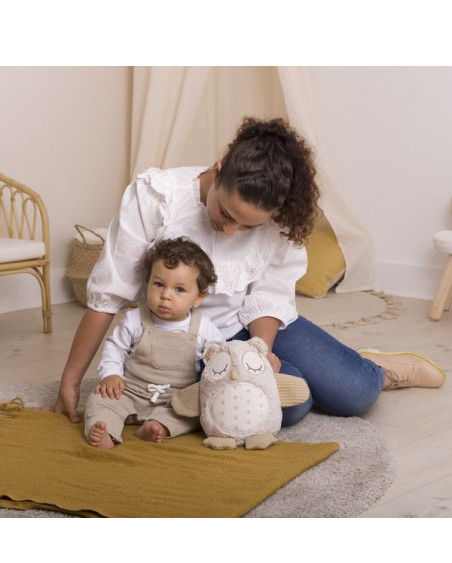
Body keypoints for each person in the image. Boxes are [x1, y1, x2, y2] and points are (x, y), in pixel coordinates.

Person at [55, 116, 445, 428]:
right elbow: (107, 295)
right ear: (218, 169)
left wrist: (261, 349)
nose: (229, 231)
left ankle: (376, 368)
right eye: (225, 213)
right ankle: (321, 372)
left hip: (254, 323)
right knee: (291, 408)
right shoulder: (156, 197)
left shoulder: (281, 218)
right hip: (187, 342)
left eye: (247, 227)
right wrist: (70, 381)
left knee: (356, 393)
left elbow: (270, 295)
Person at [84, 236, 222, 449]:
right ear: (147, 283)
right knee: (99, 399)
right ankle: (105, 430)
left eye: (179, 289)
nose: (166, 295)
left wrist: (216, 356)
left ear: (198, 297)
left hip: (174, 399)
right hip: (129, 391)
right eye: (159, 284)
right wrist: (111, 375)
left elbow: (221, 355)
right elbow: (115, 348)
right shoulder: (135, 319)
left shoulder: (204, 328)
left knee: (197, 409)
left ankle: (158, 425)